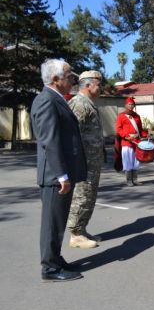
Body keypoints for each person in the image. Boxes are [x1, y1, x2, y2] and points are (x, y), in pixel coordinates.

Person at [31, 59, 87, 282]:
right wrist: (61, 174)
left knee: (58, 221)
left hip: (60, 173)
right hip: (55, 175)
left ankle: (55, 258)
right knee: (52, 223)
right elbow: (49, 140)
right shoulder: (46, 100)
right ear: (55, 80)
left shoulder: (56, 99)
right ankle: (50, 268)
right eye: (67, 75)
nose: (72, 78)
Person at [66, 70, 104, 249]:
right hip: (83, 162)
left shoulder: (89, 103)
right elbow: (71, 135)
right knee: (81, 196)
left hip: (91, 161)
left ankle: (81, 229)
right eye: (98, 84)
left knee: (89, 196)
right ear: (88, 85)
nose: (101, 87)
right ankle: (75, 234)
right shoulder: (79, 103)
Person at [115, 97, 148, 186]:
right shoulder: (121, 116)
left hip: (137, 141)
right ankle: (129, 180)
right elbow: (118, 129)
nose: (131, 106)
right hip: (127, 142)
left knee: (136, 161)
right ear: (126, 105)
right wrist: (125, 136)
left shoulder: (137, 116)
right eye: (129, 104)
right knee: (127, 161)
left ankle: (135, 179)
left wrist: (146, 135)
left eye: (132, 104)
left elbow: (140, 129)